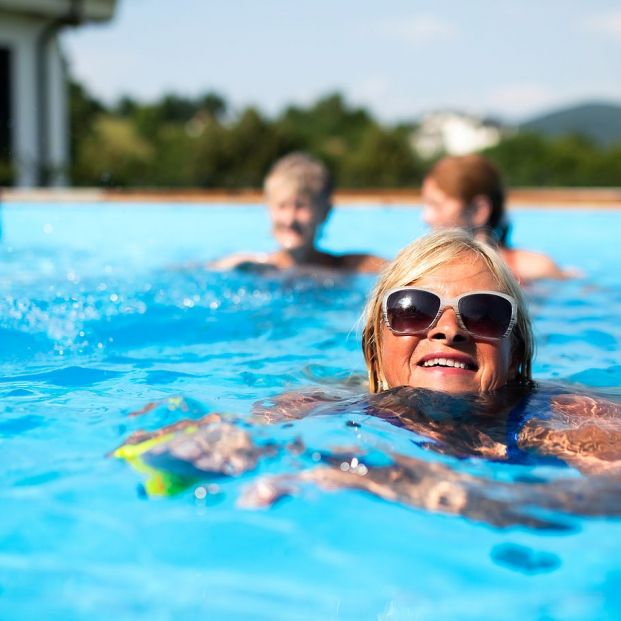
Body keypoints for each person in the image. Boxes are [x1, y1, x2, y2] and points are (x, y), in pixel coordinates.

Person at [112, 231, 621, 526]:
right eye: (412, 309)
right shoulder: (322, 407)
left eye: (484, 313)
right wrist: (212, 440)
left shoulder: (567, 419)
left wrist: (444, 491)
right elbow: (216, 438)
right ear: (375, 348)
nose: (448, 330)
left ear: (516, 356)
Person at [211, 151, 387, 273]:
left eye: (301, 206)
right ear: (269, 210)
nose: (289, 219)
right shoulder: (249, 266)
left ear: (325, 212)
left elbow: (406, 273)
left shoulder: (351, 267)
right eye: (281, 206)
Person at [421, 154, 574, 282]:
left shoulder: (534, 269)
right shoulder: (534, 268)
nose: (425, 217)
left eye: (437, 205)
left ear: (478, 210)